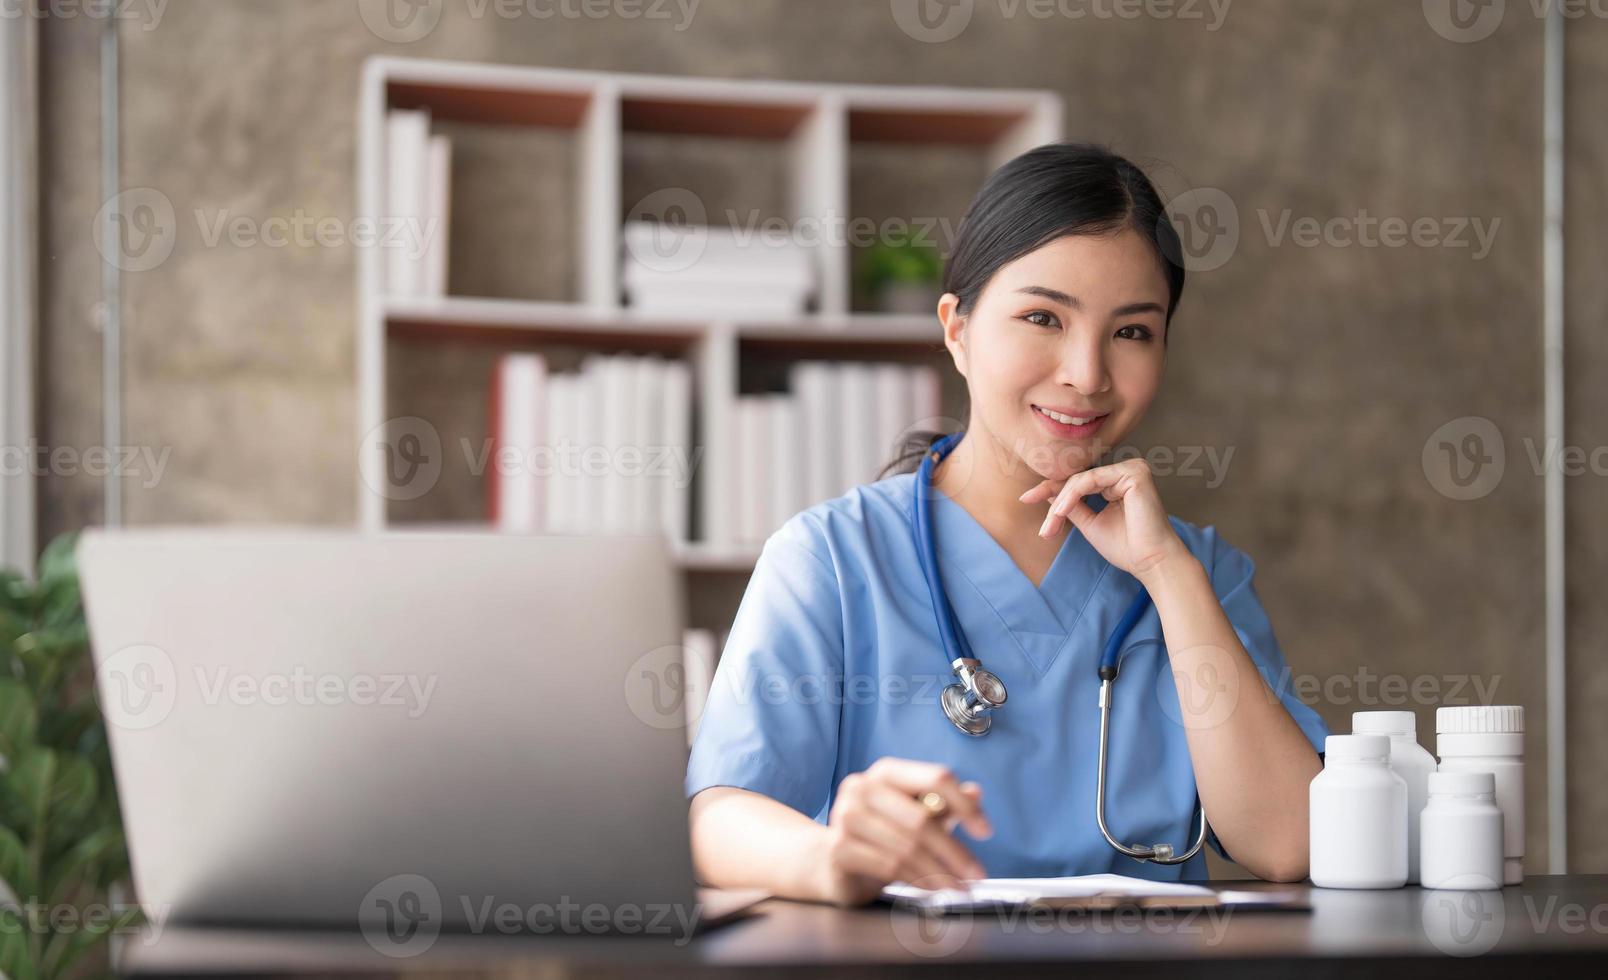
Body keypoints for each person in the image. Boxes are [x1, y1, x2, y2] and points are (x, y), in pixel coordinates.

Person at [685, 142, 1327, 906]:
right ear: (957, 328)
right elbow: (718, 819)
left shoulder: (1201, 573)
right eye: (1041, 317)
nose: (1086, 374)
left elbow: (1289, 841)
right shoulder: (830, 558)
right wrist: (832, 858)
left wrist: (1166, 573)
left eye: (1132, 332)